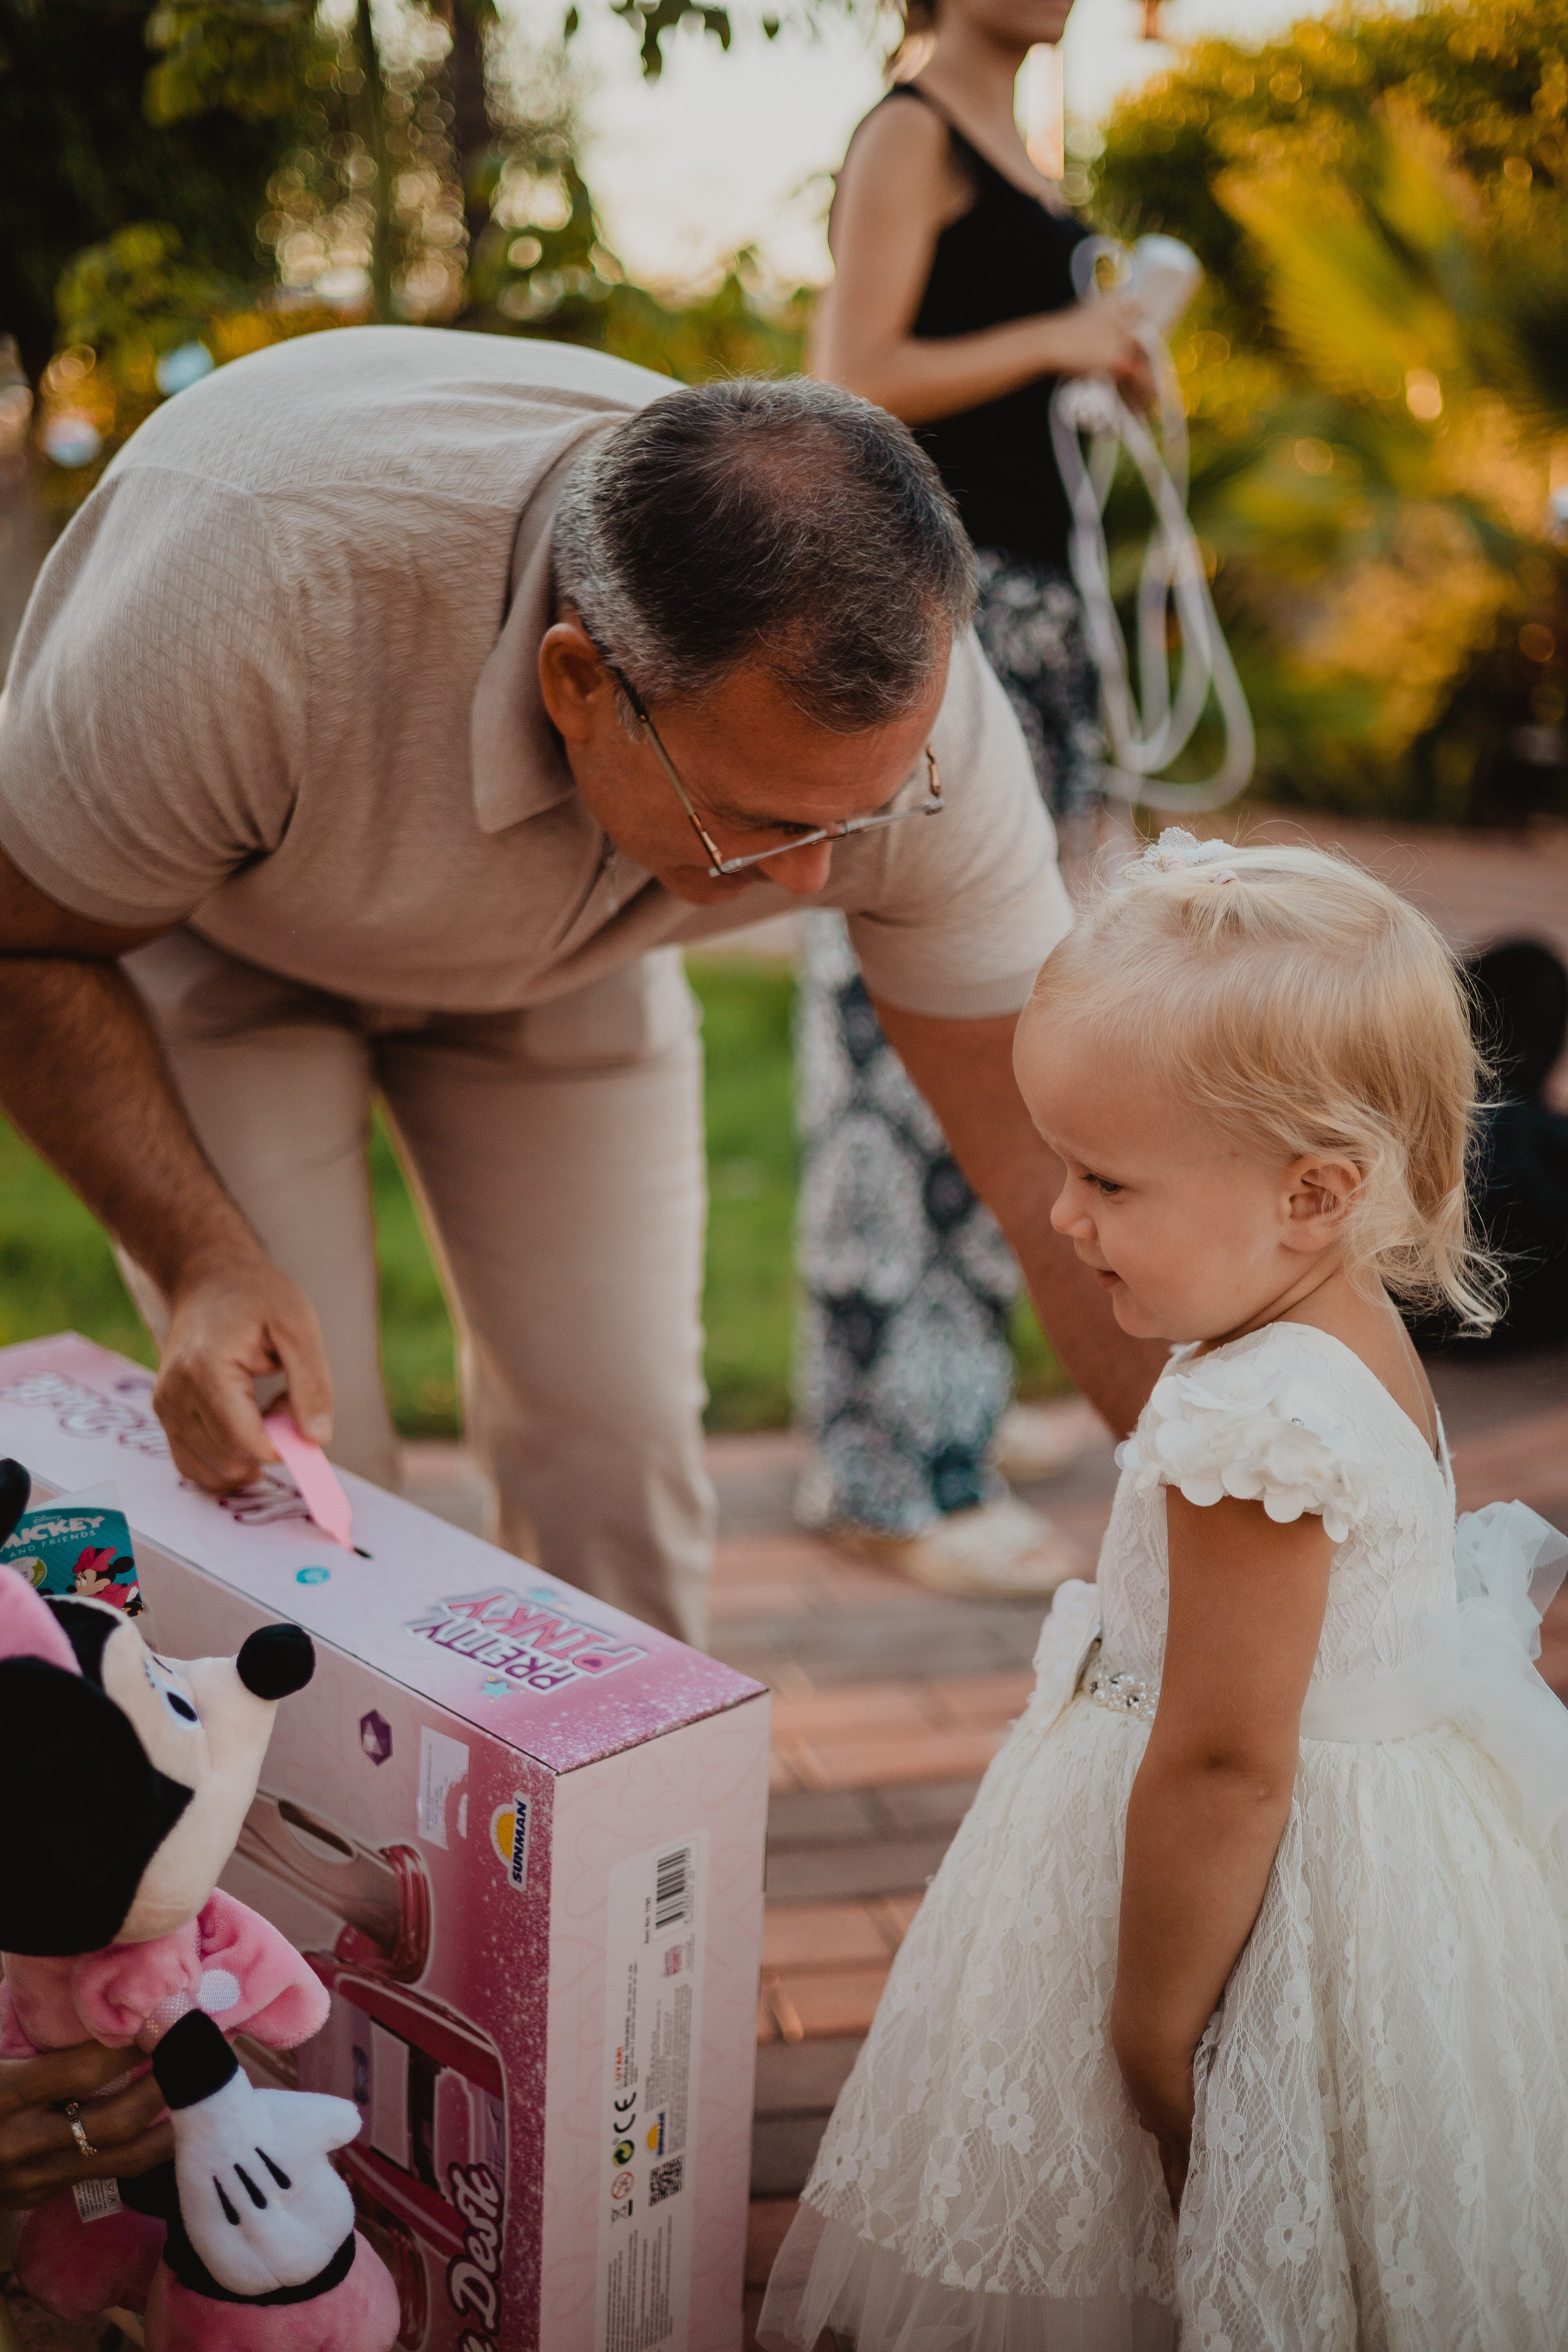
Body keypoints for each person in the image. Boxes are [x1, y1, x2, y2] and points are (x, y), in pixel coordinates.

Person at [0, 330, 1166, 1656]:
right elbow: (23, 940)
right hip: (233, 952)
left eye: (862, 816)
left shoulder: (921, 743)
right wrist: (201, 1259)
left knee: (618, 1456)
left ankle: (630, 1791)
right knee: (307, 1474)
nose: (815, 882)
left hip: (569, 978)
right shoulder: (249, 582)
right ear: (578, 683)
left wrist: (1234, 1517)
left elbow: (1049, 1172)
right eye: (758, 823)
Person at [763, 832, 1568, 2348]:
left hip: (1248, 1914)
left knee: (1188, 2232)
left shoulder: (1247, 1425)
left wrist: (1150, 2028)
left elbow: (1219, 1762)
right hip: (1386, 1872)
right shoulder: (1341, 1328)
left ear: (1309, 1191)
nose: (1061, 1218)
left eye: (1105, 1180)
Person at [794, 0, 1153, 1594]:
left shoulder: (1023, 141)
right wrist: (1054, 342)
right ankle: (887, 1464)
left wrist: (1096, 378)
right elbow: (851, 376)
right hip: (953, 629)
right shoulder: (911, 131)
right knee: (905, 1044)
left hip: (1041, 633)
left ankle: (961, 1396)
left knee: (1029, 1026)